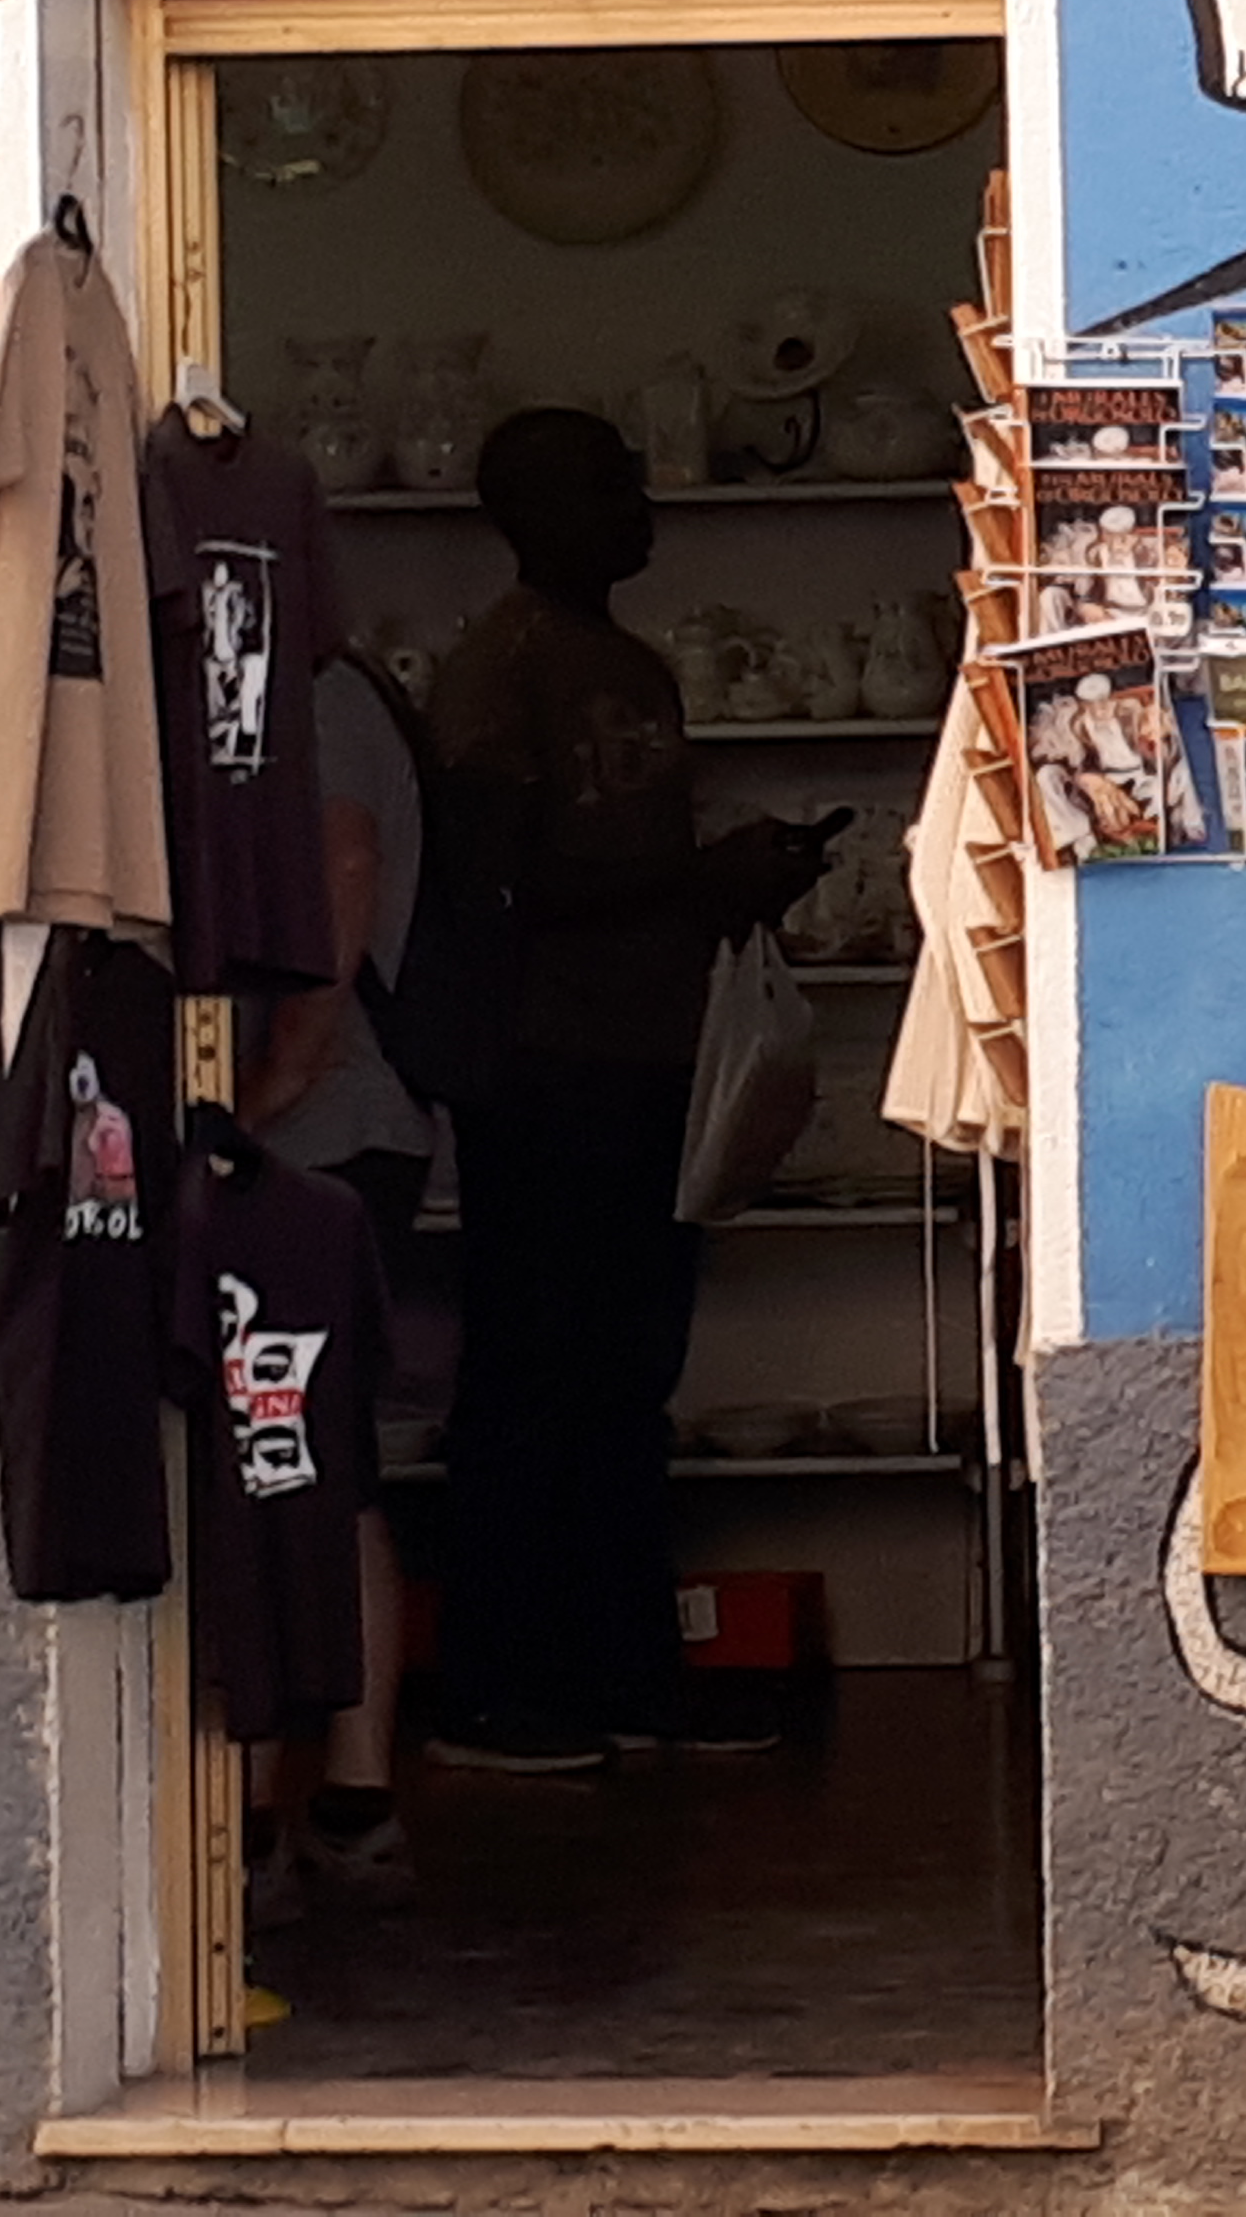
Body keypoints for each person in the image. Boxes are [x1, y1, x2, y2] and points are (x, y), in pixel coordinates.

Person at [423, 410, 832, 1771]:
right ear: (528, 511)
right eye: (607, 485)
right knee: (532, 1380)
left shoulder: (632, 665)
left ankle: (628, 1677)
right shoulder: (501, 670)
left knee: (624, 1385)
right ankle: (494, 1689)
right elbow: (495, 886)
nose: (638, 503)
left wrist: (735, 884)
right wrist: (694, 880)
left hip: (650, 1062)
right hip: (547, 1069)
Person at [232, 647, 436, 1909]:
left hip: (325, 1136)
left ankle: (290, 1802)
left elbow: (343, 865)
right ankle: (333, 1798)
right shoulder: (311, 689)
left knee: (290, 1463)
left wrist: (277, 1079)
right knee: (314, 1458)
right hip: (325, 1134)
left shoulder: (315, 695)